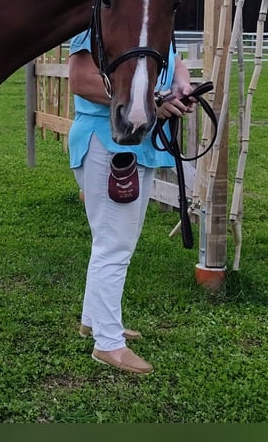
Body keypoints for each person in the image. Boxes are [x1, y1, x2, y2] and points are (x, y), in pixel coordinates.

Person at [68, 29, 194, 374]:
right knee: (114, 245)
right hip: (110, 141)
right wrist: (153, 100)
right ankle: (107, 344)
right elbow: (81, 80)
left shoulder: (150, 19)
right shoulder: (98, 20)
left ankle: (94, 320)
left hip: (137, 143)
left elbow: (174, 61)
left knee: (113, 241)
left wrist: (182, 84)